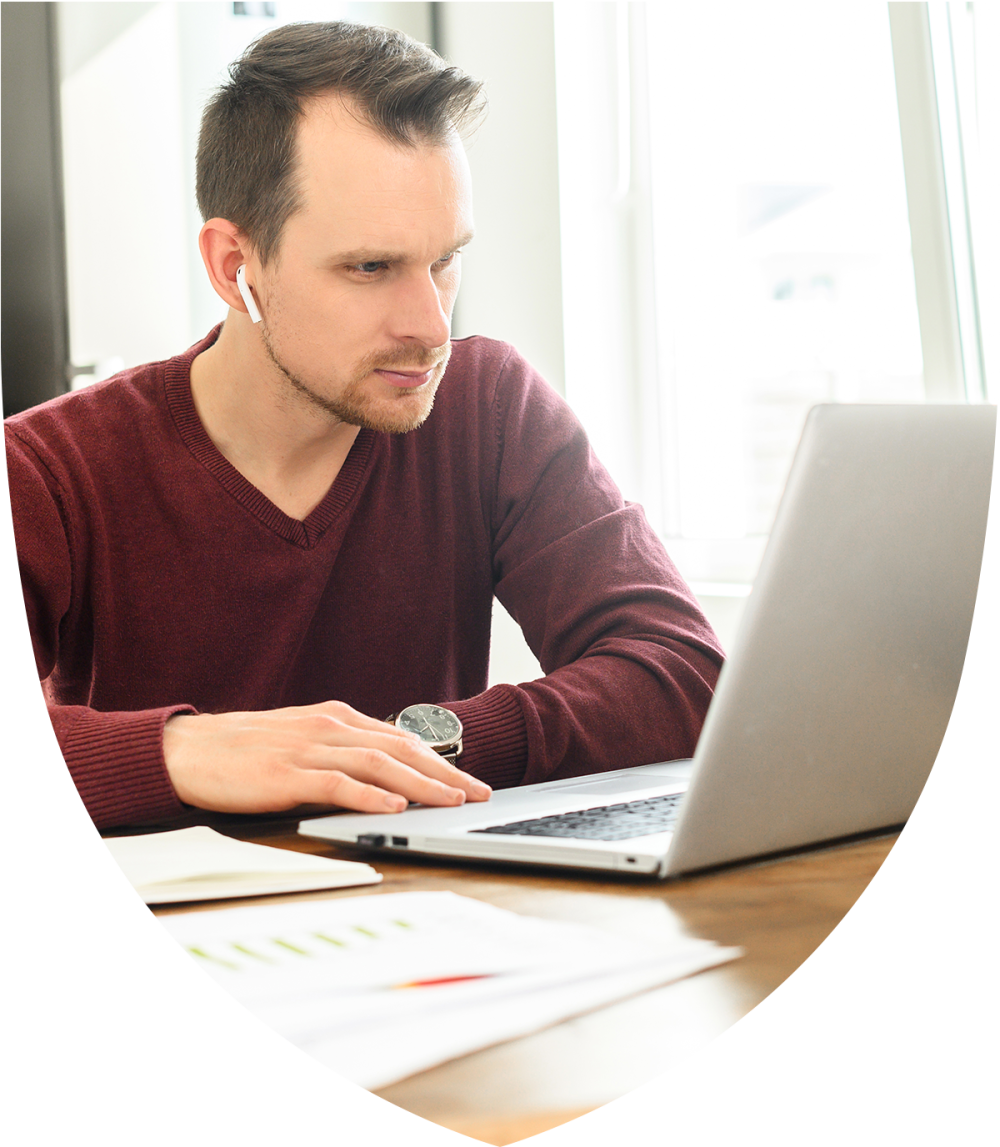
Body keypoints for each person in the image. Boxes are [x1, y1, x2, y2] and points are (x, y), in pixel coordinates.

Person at [6, 21, 724, 833]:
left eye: (445, 260)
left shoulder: (488, 408)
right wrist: (186, 751)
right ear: (233, 267)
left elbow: (681, 672)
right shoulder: (47, 469)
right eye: (370, 268)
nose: (430, 325)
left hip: (432, 920)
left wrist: (411, 746)